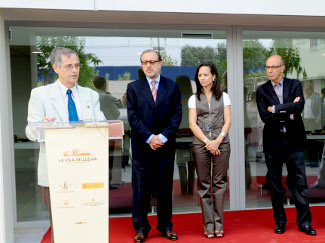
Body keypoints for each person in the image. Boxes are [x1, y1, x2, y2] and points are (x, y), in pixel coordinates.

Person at [25, 47, 105, 243]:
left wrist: (102, 126)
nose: (74, 70)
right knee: (62, 226)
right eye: (69, 66)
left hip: (88, 167)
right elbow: (30, 131)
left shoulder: (90, 95)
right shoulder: (40, 94)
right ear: (56, 67)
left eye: (77, 65)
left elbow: (103, 125)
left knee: (89, 223)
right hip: (58, 168)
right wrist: (41, 127)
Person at [256, 54, 316, 235]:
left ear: (283, 68)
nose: (270, 70)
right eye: (267, 67)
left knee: (299, 183)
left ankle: (304, 223)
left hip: (294, 143)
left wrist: (274, 108)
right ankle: (280, 221)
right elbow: (265, 117)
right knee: (275, 185)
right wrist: (288, 107)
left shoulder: (295, 85)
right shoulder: (262, 90)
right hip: (273, 143)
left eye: (273, 67)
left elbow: (299, 108)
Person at [127, 49, 182, 243]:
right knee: (141, 190)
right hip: (143, 147)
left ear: (160, 63)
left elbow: (177, 116)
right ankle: (141, 228)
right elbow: (133, 118)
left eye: (152, 62)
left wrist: (162, 137)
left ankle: (166, 226)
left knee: (165, 188)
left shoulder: (172, 86)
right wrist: (150, 137)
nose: (148, 65)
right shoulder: (133, 87)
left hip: (165, 147)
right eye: (144, 62)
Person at [188, 62, 231, 238]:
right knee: (204, 185)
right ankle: (208, 225)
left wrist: (218, 140)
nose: (202, 78)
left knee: (219, 184)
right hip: (201, 143)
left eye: (205, 74)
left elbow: (227, 121)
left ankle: (218, 224)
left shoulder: (224, 97)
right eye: (199, 75)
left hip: (221, 142)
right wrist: (207, 141)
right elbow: (192, 123)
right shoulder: (193, 98)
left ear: (214, 76)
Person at [93, 75, 120, 190]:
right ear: (104, 84)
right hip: (109, 131)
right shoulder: (107, 97)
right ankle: (107, 181)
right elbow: (116, 114)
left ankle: (98, 180)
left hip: (95, 132)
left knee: (98, 157)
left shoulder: (91, 96)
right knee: (109, 157)